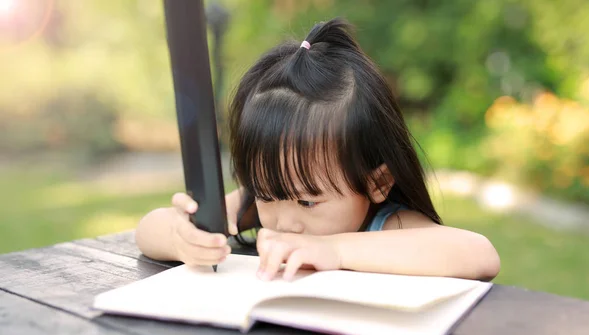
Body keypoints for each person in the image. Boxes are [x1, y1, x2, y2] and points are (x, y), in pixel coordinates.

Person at [135, 18, 500, 282]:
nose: (286, 221)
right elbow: (146, 231)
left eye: (308, 202)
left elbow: (479, 254)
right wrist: (181, 236)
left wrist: (335, 251)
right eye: (266, 194)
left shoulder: (387, 224)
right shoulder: (271, 196)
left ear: (377, 183)